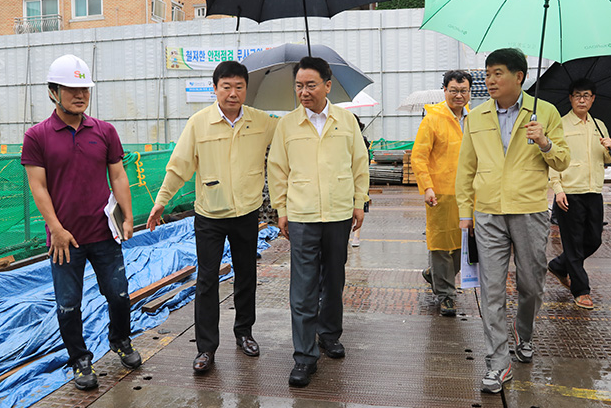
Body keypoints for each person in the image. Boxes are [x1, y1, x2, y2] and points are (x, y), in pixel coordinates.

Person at [146, 61, 278, 373]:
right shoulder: (199, 123)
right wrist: (161, 201)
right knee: (207, 280)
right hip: (210, 216)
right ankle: (206, 348)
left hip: (246, 213)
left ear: (247, 89)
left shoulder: (261, 122)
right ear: (215, 88)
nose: (233, 93)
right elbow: (179, 165)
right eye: (226, 87)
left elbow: (290, 137)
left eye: (239, 87)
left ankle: (244, 333)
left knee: (247, 275)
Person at [21, 54, 141, 391]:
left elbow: (117, 174)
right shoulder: (37, 136)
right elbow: (38, 186)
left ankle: (120, 340)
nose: (80, 95)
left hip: (104, 232)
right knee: (68, 303)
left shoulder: (104, 131)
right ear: (53, 92)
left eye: (84, 89)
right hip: (64, 240)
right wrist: (56, 229)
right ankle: (79, 360)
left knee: (118, 295)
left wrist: (128, 216)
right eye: (71, 89)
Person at [455, 48, 570, 394]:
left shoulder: (545, 113)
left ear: (519, 77)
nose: (489, 80)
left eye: (498, 73)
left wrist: (545, 142)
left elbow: (563, 161)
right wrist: (465, 212)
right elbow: (466, 168)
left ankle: (525, 331)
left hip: (530, 209)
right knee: (490, 289)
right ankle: (498, 363)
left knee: (531, 283)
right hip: (488, 211)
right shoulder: (476, 117)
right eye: (487, 74)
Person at [267, 56, 370, 387]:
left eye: (311, 85)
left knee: (334, 280)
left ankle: (329, 334)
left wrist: (358, 203)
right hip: (302, 217)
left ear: (328, 85)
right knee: (303, 287)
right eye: (298, 85)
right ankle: (304, 356)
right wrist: (281, 210)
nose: (304, 91)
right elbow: (277, 171)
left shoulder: (346, 121)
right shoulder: (287, 126)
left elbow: (359, 163)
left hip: (339, 213)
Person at [547, 79, 611, 310]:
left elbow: (607, 160)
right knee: (573, 243)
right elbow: (553, 160)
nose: (582, 99)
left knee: (594, 239)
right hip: (569, 191)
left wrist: (609, 147)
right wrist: (557, 189)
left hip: (594, 190)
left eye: (586, 95)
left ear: (593, 99)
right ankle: (581, 290)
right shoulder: (561, 124)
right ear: (570, 98)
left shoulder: (600, 125)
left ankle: (558, 265)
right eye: (577, 95)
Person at [412, 69, 472, 317]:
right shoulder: (432, 118)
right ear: (445, 90)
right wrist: (427, 187)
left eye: (463, 91)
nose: (459, 95)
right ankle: (446, 295)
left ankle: (434, 275)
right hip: (439, 194)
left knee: (462, 245)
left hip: (468, 194)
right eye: (454, 90)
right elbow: (419, 156)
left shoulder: (474, 119)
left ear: (469, 92)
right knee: (440, 245)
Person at [351, 114, 370, 247]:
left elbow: (365, 163)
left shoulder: (362, 141)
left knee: (358, 208)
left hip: (358, 180)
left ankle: (356, 236)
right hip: (344, 181)